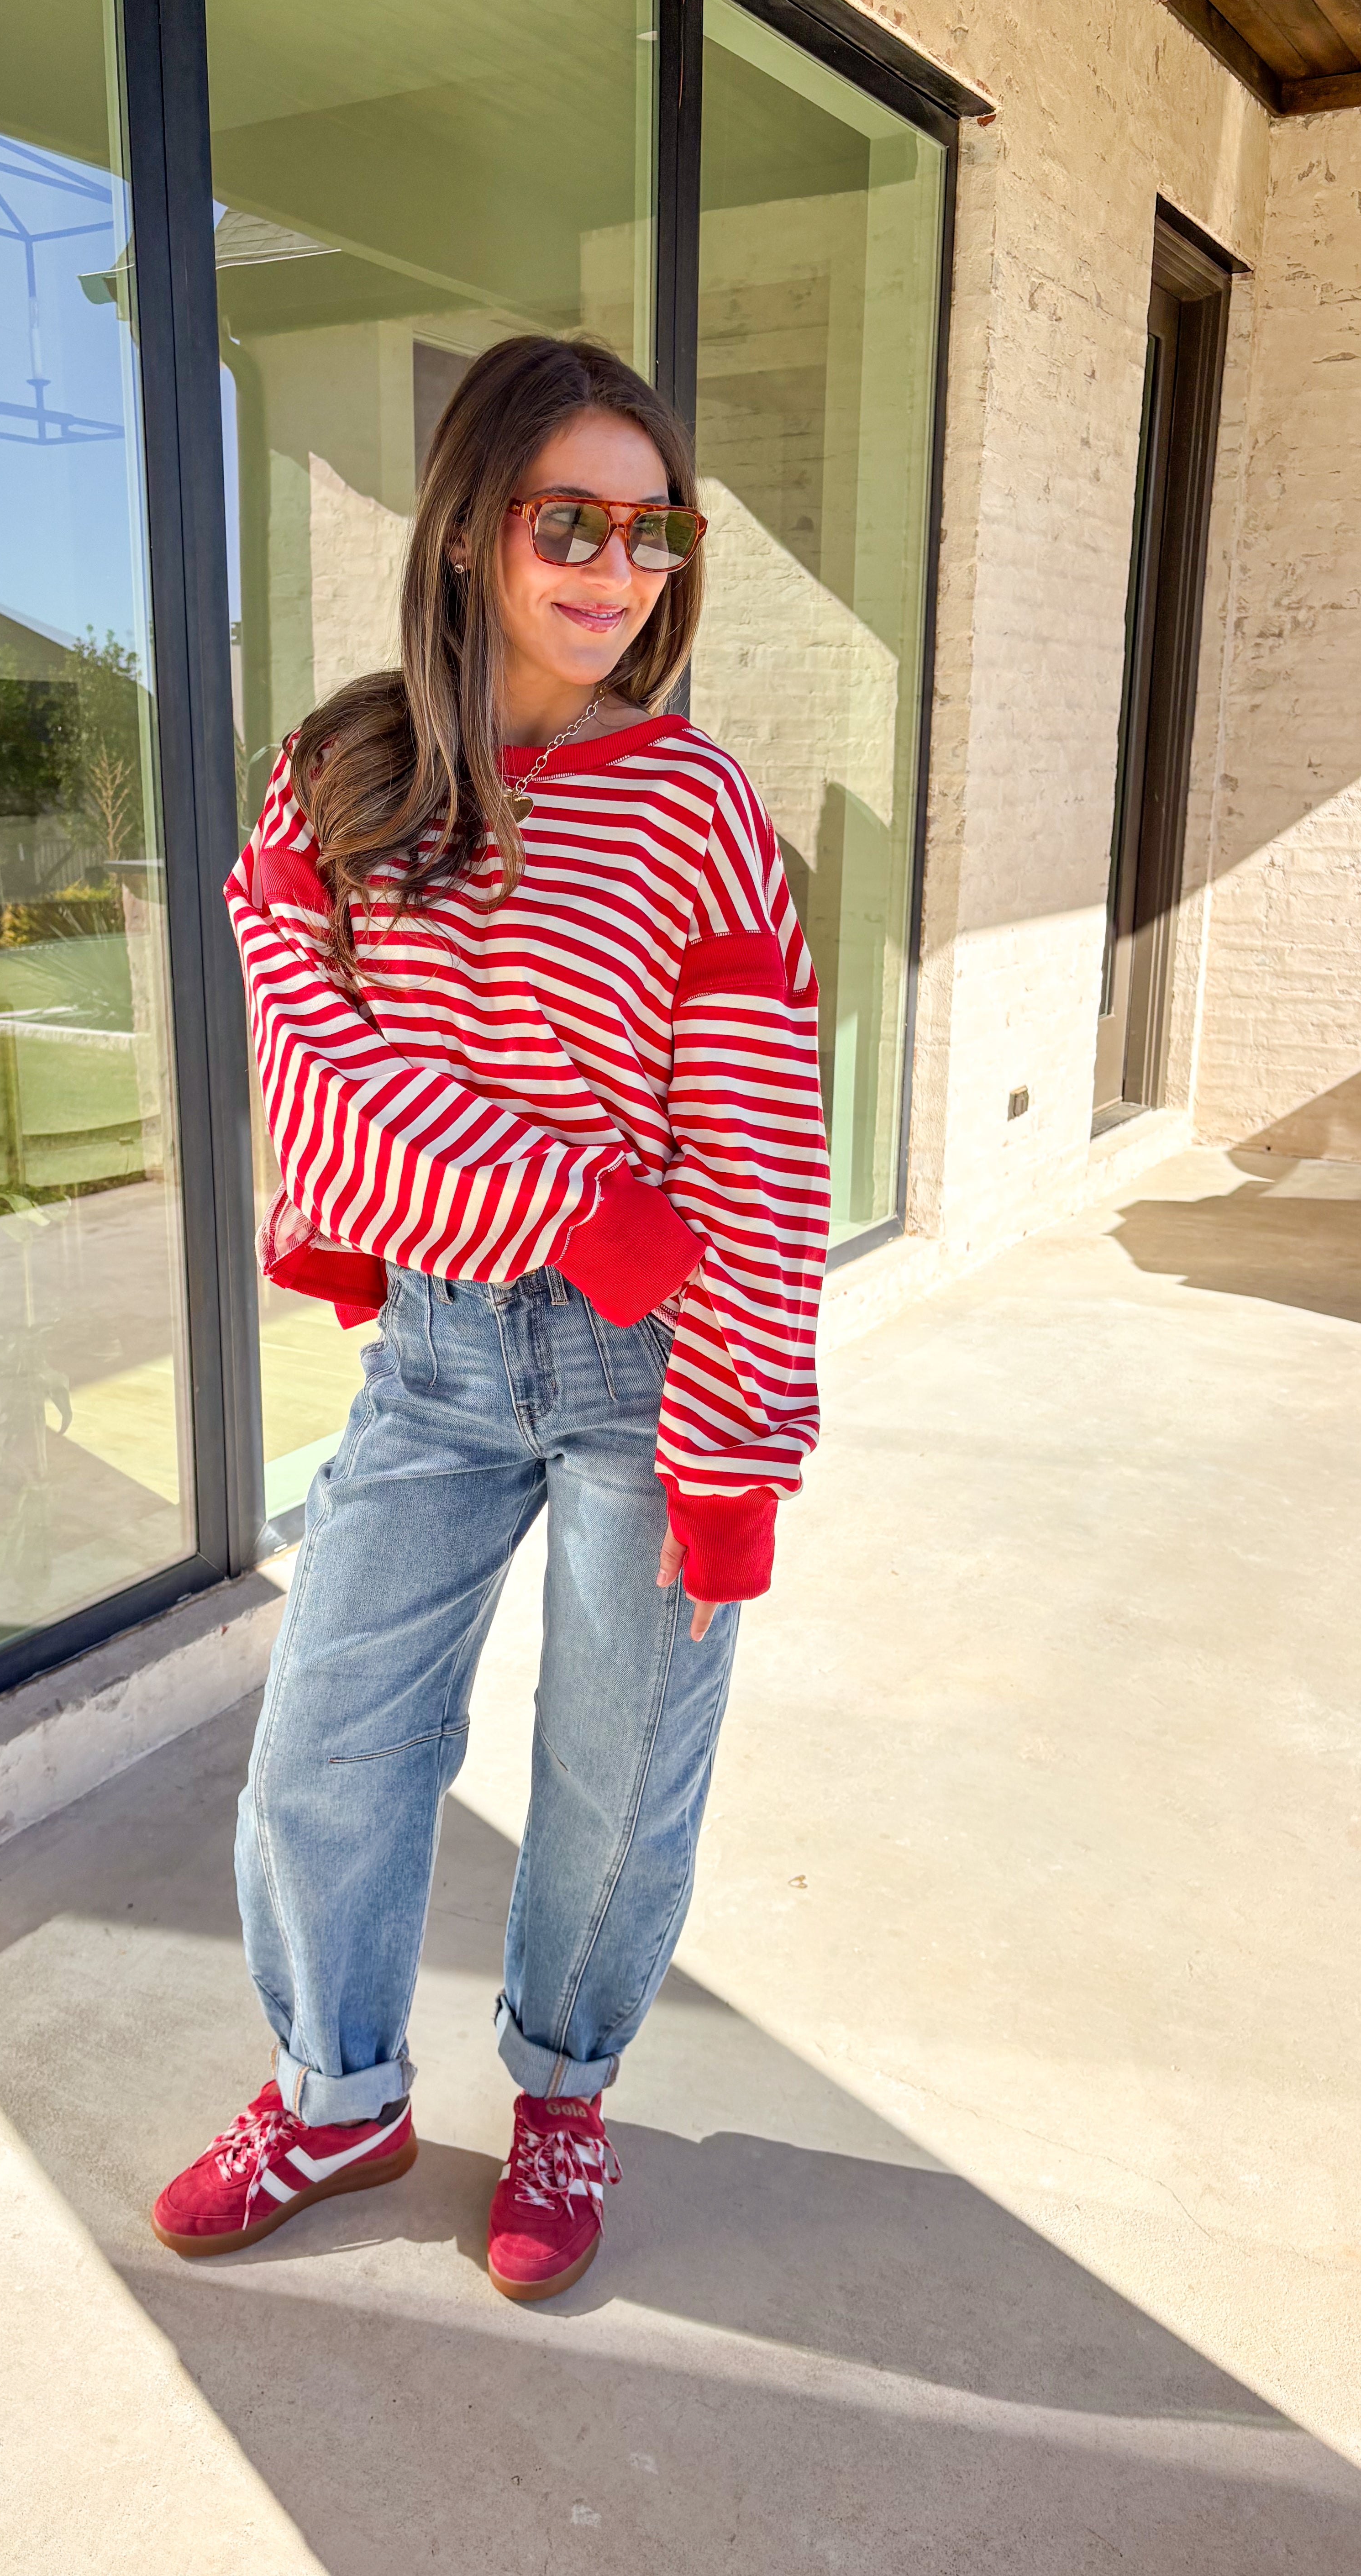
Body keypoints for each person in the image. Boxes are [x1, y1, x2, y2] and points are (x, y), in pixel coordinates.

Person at [152, 334, 829, 2301]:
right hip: (444, 1356)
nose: (618, 568)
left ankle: (560, 2097)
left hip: (659, 1364)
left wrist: (735, 1453)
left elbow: (767, 1158)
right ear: (469, 531)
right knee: (325, 1750)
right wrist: (581, 1205)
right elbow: (329, 1092)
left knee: (618, 1771)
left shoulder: (698, 808)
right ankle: (340, 2095)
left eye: (654, 530)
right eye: (571, 522)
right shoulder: (339, 780)